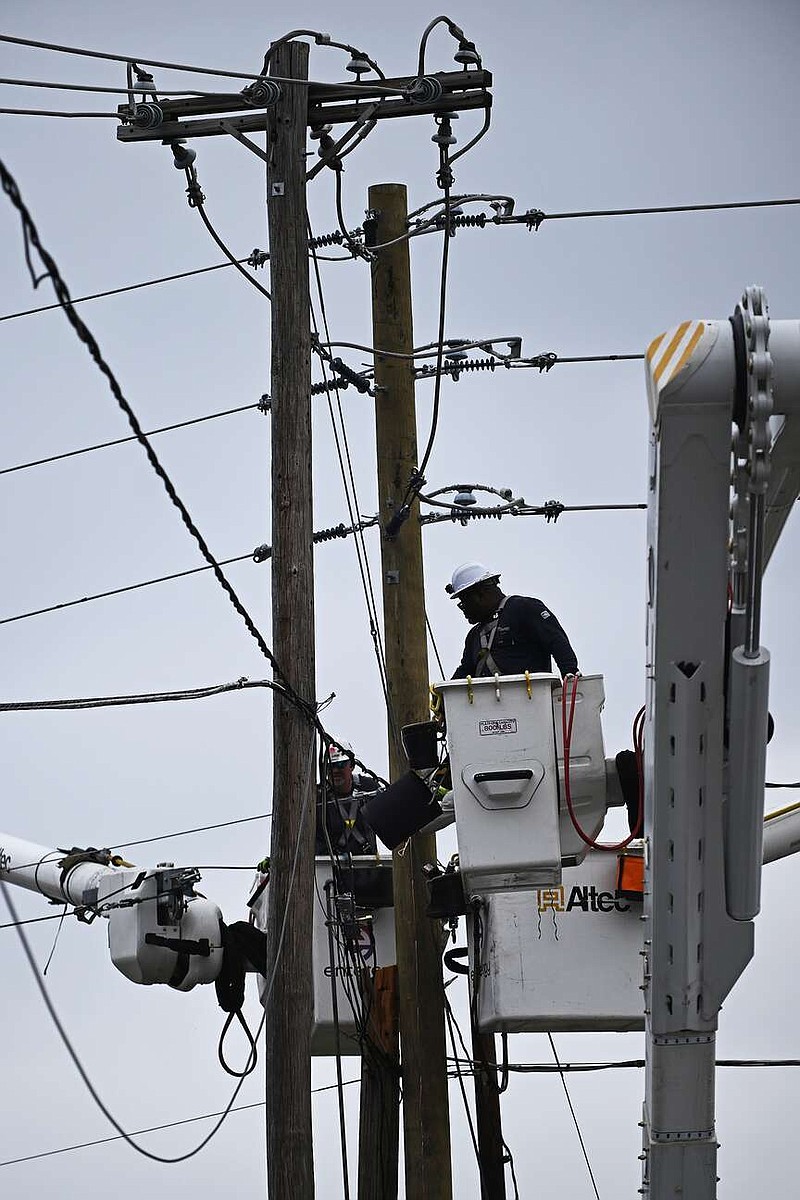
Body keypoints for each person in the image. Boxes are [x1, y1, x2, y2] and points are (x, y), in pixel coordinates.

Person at [447, 561, 579, 679]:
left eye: (464, 602)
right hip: (488, 704)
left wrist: (570, 673)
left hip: (530, 699)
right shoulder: (474, 636)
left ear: (481, 593)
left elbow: (556, 640)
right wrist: (442, 696)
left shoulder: (523, 608)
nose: (463, 609)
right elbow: (465, 671)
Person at [315, 740, 379, 856]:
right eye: (331, 766)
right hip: (332, 868)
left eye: (340, 765)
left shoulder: (369, 788)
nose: (335, 771)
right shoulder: (318, 798)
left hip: (368, 866)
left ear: (352, 766)